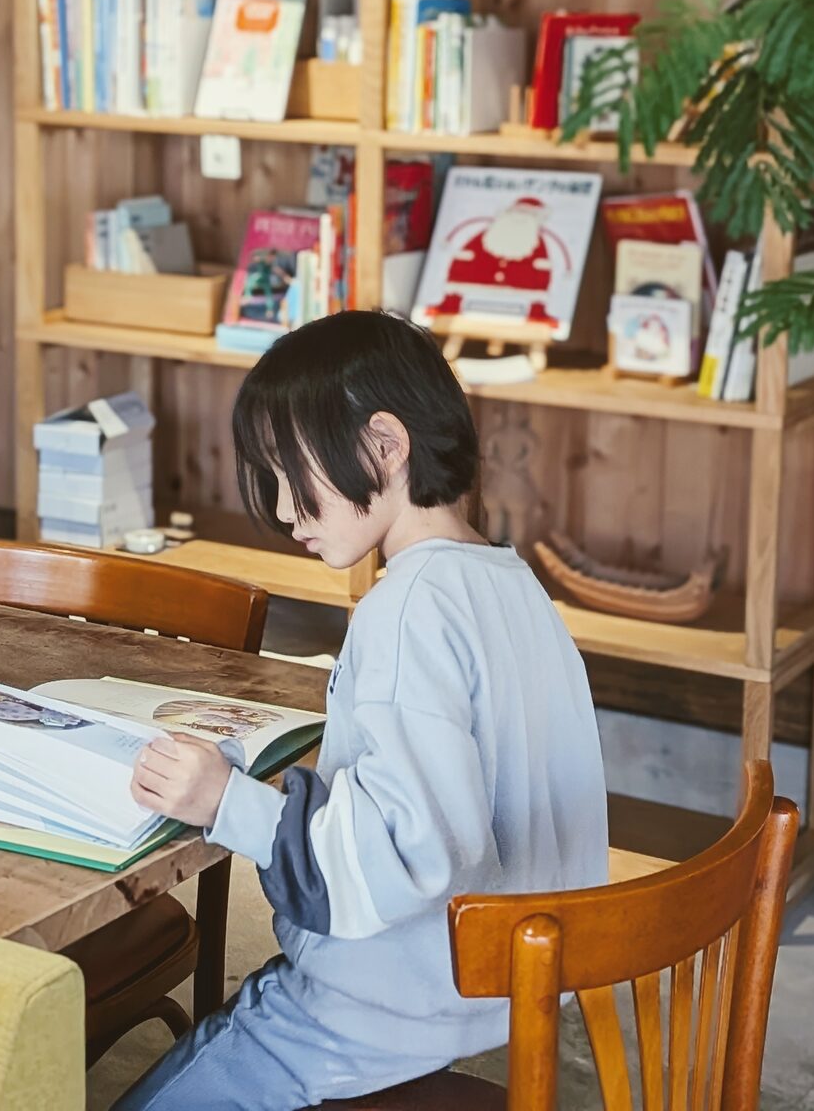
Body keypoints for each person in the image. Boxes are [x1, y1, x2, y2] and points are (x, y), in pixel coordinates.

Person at [117, 310, 607, 1110]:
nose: (281, 508)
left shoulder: (406, 608)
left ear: (385, 443)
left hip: (374, 1016)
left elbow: (409, 850)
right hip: (501, 999)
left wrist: (226, 804)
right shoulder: (513, 584)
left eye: (288, 471)